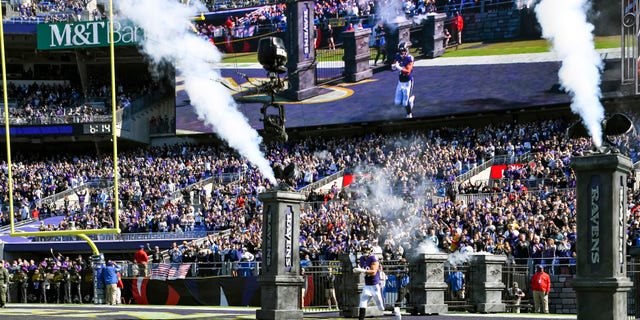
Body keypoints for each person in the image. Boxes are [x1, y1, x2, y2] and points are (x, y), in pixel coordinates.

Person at [352, 243, 401, 320]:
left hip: (375, 285)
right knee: (362, 304)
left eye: (367, 249)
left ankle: (395, 309)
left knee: (381, 307)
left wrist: (361, 270)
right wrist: (355, 268)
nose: (365, 251)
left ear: (370, 250)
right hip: (367, 285)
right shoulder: (361, 258)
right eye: (364, 249)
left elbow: (373, 272)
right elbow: (359, 273)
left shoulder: (373, 258)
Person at [391, 42, 415, 118]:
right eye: (400, 51)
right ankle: (409, 100)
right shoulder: (397, 56)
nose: (402, 52)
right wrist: (393, 67)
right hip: (400, 82)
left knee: (405, 103)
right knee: (397, 102)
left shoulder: (409, 58)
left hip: (408, 82)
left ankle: (409, 114)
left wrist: (399, 68)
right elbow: (394, 65)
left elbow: (408, 71)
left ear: (407, 50)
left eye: (403, 50)